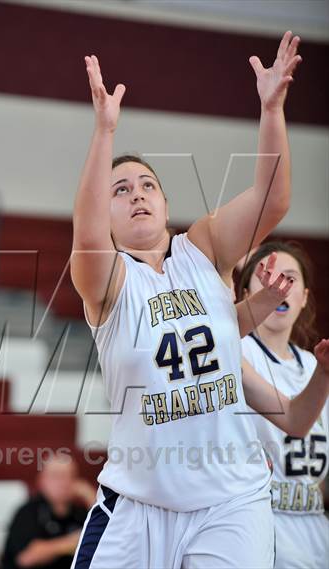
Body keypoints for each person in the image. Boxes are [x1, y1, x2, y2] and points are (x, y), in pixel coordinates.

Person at [70, 31, 304, 568]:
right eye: (120, 189)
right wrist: (104, 133)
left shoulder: (200, 249)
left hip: (231, 500)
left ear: (166, 204)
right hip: (139, 503)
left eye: (147, 184)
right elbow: (85, 237)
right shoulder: (109, 281)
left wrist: (272, 110)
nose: (136, 195)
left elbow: (274, 200)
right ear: (104, 216)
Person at [238, 241, 329, 569]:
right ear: (246, 296)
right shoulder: (236, 352)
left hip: (314, 530)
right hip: (257, 530)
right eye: (266, 277)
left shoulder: (317, 364)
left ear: (304, 296)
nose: (279, 287)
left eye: (290, 278)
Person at [1, 456, 96, 569]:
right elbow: (26, 558)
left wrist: (90, 496)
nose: (65, 482)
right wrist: (71, 543)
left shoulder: (79, 513)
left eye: (71, 476)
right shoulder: (29, 512)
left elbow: (104, 535)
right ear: (42, 480)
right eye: (57, 476)